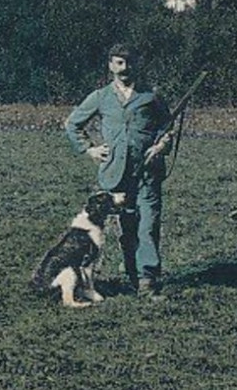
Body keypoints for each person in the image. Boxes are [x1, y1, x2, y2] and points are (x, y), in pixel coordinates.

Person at [64, 43, 175, 297]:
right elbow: (73, 124)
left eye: (129, 62)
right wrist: (89, 149)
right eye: (118, 63)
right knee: (128, 227)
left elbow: (167, 126)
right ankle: (132, 276)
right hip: (116, 174)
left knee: (148, 225)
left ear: (137, 64)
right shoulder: (101, 97)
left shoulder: (151, 96)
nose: (124, 68)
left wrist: (162, 145)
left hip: (148, 172)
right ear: (110, 65)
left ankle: (148, 279)